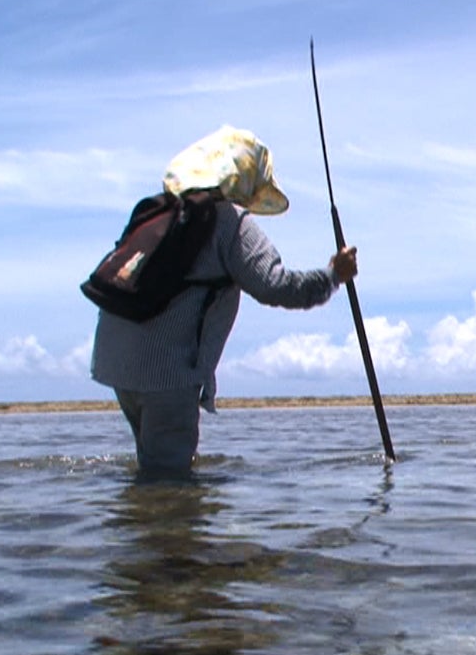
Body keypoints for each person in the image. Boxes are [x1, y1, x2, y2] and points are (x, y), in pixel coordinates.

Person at [91, 125, 358, 478]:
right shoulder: (230, 221)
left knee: (151, 470)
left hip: (115, 360)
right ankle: (165, 531)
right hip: (167, 370)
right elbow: (276, 287)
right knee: (169, 483)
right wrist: (333, 275)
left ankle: (147, 526)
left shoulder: (159, 213)